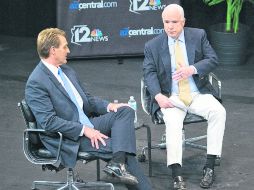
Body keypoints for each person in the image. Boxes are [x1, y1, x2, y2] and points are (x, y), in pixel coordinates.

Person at [25, 28, 152, 190]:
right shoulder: (36, 82)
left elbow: (87, 100)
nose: (68, 50)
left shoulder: (66, 71)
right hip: (68, 136)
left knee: (125, 111)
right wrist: (84, 129)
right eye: (65, 47)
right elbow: (49, 122)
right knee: (122, 148)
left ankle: (117, 164)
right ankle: (122, 164)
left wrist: (109, 106)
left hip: (86, 123)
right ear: (53, 50)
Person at [143, 4, 226, 190]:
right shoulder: (153, 45)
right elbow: (148, 73)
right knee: (172, 122)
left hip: (197, 93)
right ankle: (176, 174)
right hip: (171, 96)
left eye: (174, 22)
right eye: (166, 22)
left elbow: (213, 59)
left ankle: (210, 166)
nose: (170, 26)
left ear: (183, 22)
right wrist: (157, 96)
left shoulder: (198, 35)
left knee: (219, 112)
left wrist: (192, 69)